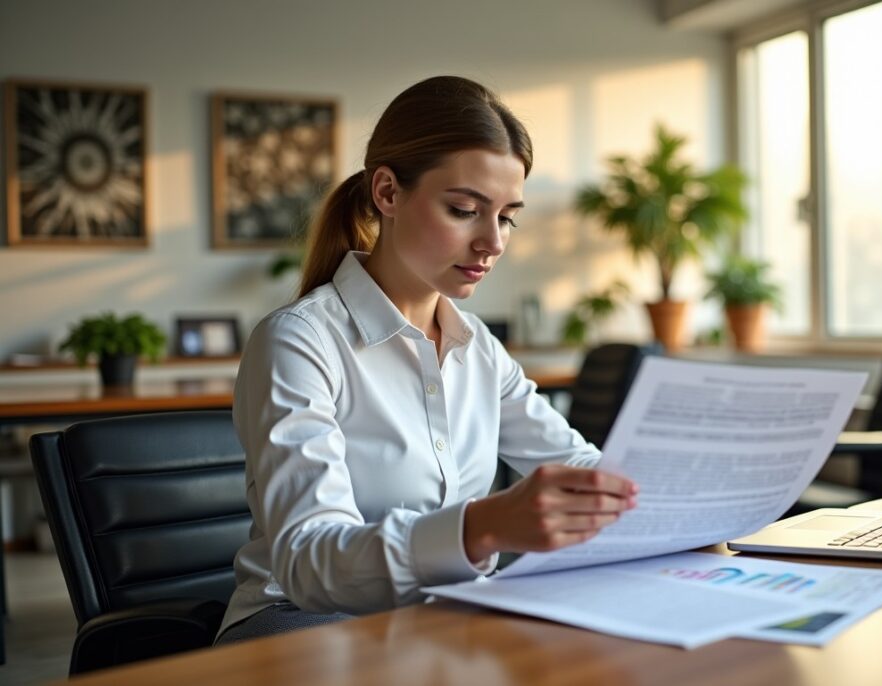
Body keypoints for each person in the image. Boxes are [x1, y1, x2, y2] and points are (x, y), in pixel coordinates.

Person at [215, 76, 638, 645]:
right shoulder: (298, 342)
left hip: (448, 613)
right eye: (465, 209)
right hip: (299, 621)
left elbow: (582, 468)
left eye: (507, 216)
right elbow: (308, 562)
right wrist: (480, 527)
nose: (493, 242)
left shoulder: (479, 348)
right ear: (387, 193)